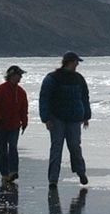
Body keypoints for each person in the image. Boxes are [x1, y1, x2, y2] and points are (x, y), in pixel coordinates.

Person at [39, 51, 91, 187]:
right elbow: (44, 98)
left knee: (75, 147)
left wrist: (86, 116)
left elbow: (85, 97)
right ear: (70, 62)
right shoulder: (52, 78)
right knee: (57, 148)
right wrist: (46, 118)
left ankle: (81, 173)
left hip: (74, 119)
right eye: (76, 62)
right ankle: (53, 179)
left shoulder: (79, 78)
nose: (77, 64)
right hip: (57, 118)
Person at [0, 65, 29, 183]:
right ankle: (5, 174)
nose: (20, 77)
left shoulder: (21, 92)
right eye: (19, 75)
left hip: (14, 126)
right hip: (0, 125)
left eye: (21, 75)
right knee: (1, 150)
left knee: (13, 148)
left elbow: (24, 109)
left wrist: (24, 121)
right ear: (11, 75)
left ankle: (13, 171)